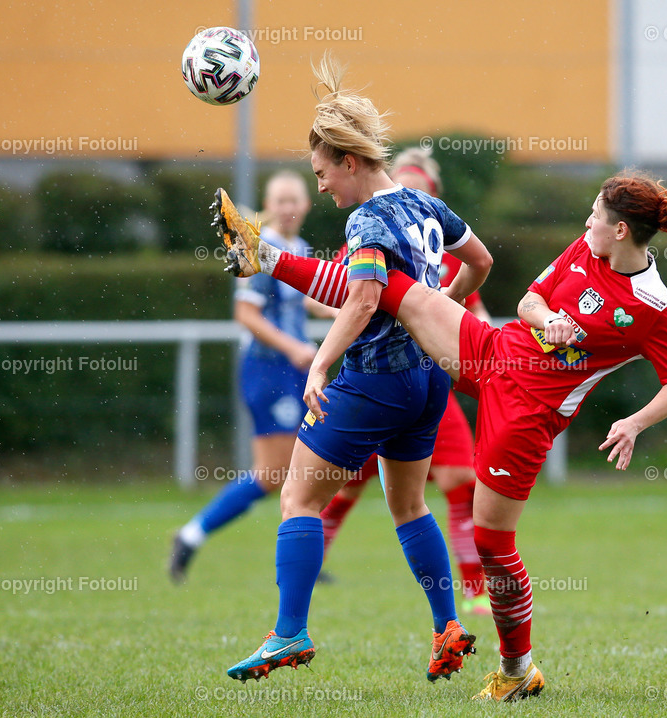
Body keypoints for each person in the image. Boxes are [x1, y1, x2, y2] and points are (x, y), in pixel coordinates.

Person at [218, 169, 667, 701]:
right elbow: (529, 301)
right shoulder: (586, 246)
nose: (587, 222)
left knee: (492, 542)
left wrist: (632, 423)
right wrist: (550, 318)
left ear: (622, 231)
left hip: (527, 415)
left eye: (596, 215)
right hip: (491, 351)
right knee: (391, 288)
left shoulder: (653, 307)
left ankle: (517, 670)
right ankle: (265, 254)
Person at [214, 53, 494, 683]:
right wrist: (438, 308)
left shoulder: (365, 218)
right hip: (427, 383)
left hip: (377, 382)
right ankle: (448, 627)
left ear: (349, 160)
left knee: (298, 498)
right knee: (409, 505)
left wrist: (319, 362)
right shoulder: (422, 206)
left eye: (321, 173)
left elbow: (362, 299)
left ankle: (289, 635)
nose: (320, 188)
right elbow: (480, 260)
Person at [318, 147, 493, 615]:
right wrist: (363, 310)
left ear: (433, 196)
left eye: (422, 186)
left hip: (424, 377)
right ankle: (313, 563)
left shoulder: (439, 249)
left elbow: (472, 315)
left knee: (456, 480)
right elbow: (341, 293)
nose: (412, 191)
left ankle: (472, 590)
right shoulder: (369, 226)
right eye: (407, 180)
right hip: (375, 372)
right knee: (349, 485)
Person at [169, 171, 323, 583]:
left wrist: (357, 308)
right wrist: (293, 348)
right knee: (276, 473)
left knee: (301, 468)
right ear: (268, 205)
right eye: (281, 200)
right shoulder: (257, 247)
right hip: (267, 369)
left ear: (307, 204)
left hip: (292, 369)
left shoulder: (299, 247)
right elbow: (245, 314)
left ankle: (302, 558)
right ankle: (191, 534)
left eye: (295, 199)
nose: (289, 207)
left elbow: (310, 304)